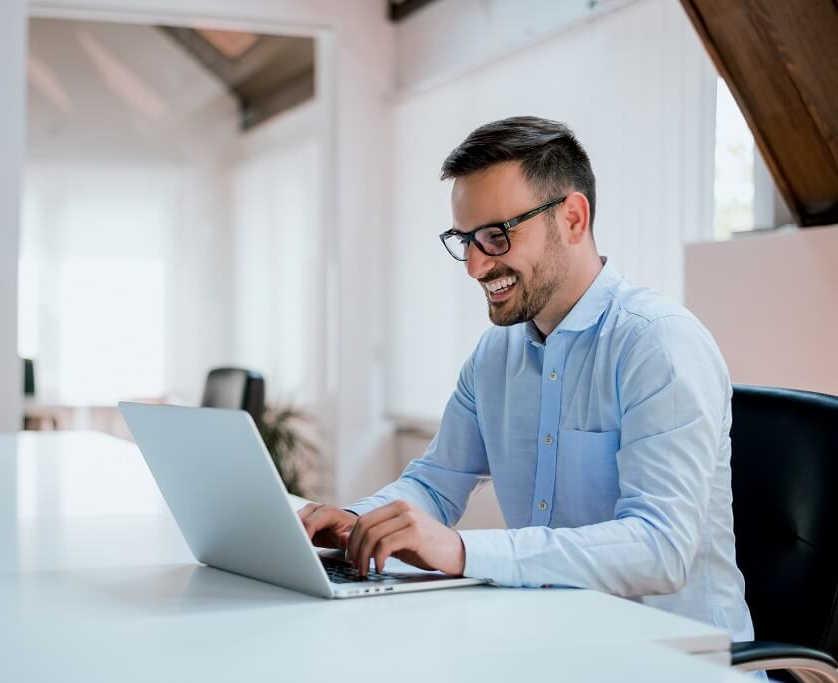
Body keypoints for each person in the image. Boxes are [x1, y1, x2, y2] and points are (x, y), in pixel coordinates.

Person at [299, 116, 755, 642]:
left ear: (573, 220)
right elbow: (435, 483)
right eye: (464, 239)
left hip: (674, 662)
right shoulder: (497, 353)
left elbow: (660, 549)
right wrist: (356, 521)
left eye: (496, 237)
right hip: (551, 644)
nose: (474, 267)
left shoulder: (659, 344)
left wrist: (463, 551)